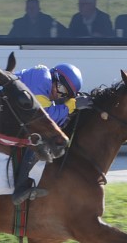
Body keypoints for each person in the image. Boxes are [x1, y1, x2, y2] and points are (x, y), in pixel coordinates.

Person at [10, 63, 85, 204]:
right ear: (55, 77)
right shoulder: (43, 78)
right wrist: (72, 105)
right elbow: (46, 117)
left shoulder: (45, 80)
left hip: (11, 109)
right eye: (61, 89)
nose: (60, 95)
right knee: (39, 138)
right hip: (2, 109)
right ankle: (20, 188)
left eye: (65, 94)